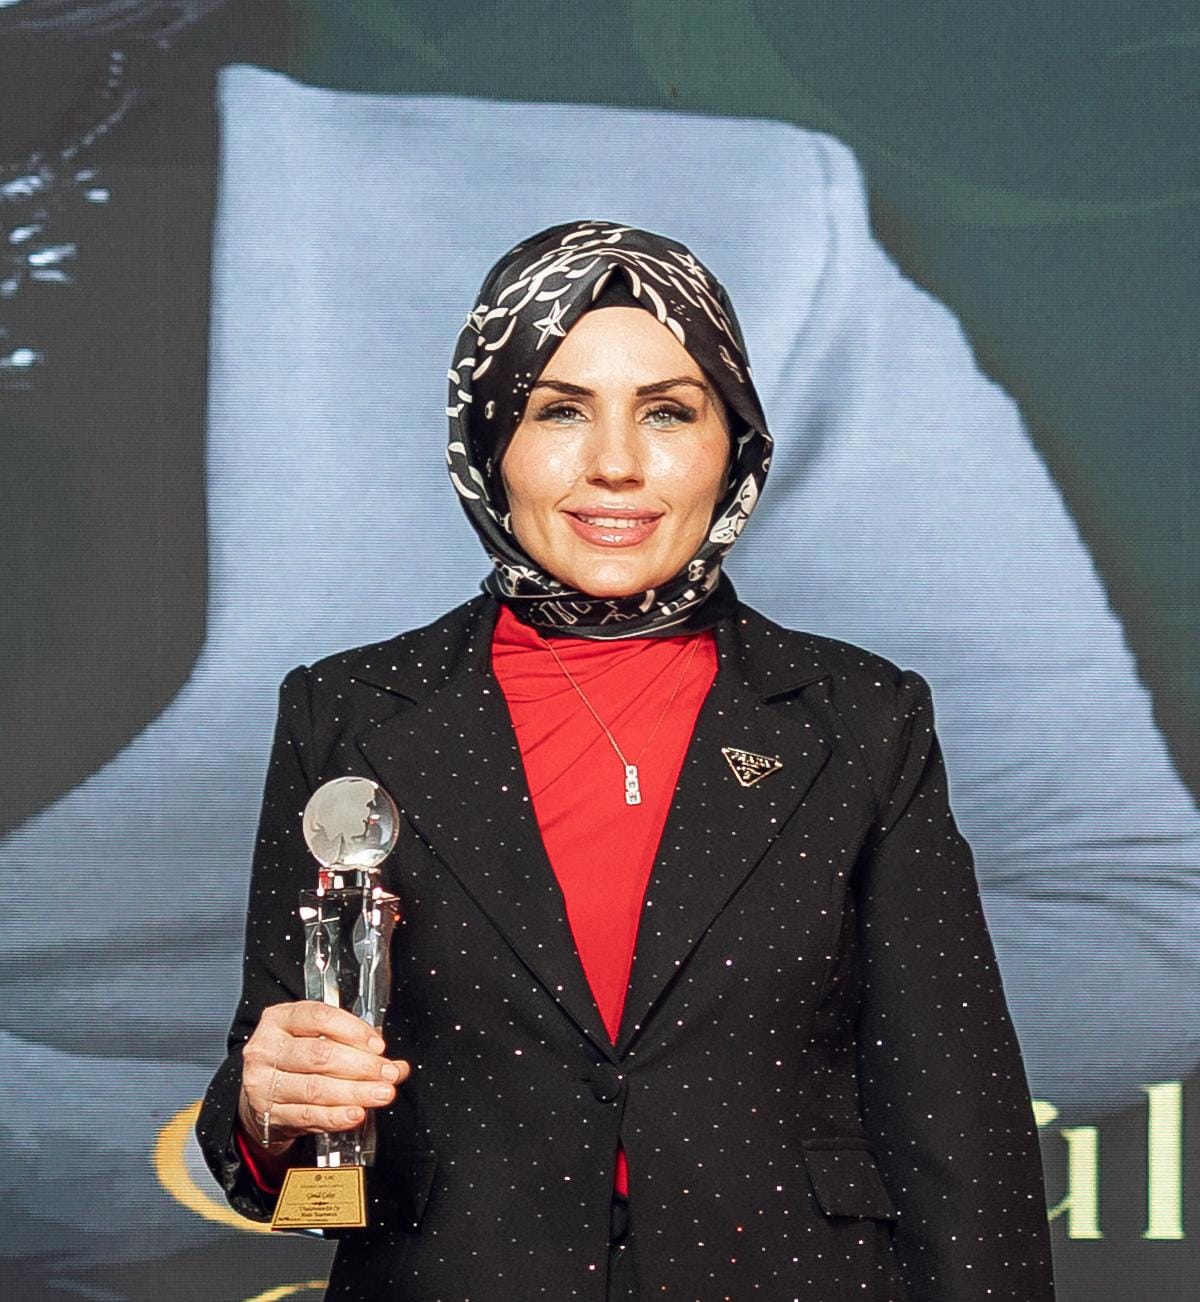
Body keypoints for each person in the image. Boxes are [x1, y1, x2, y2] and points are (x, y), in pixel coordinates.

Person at [197, 221, 1056, 1301]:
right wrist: (268, 1111)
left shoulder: (861, 720)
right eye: (560, 410)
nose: (615, 463)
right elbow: (276, 1141)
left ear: (734, 441)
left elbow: (961, 1128)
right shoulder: (349, 713)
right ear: (489, 439)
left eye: (667, 411)